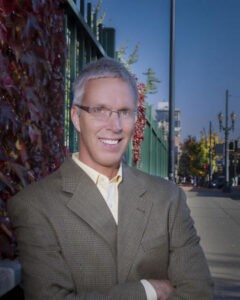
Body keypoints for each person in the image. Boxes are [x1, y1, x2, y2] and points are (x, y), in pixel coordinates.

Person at [8, 57, 214, 300]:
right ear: (76, 117)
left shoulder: (168, 198)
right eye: (99, 110)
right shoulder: (34, 205)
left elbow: (198, 292)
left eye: (124, 112)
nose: (115, 125)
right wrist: (147, 291)